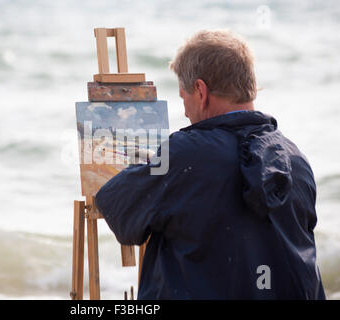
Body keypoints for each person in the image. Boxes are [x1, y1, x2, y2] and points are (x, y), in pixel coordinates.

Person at [94, 30, 325, 299]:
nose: (185, 111)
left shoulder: (186, 154)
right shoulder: (296, 160)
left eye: (184, 98)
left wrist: (145, 166)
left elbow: (116, 204)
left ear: (201, 91)